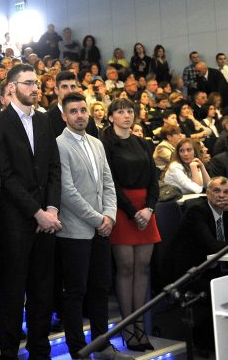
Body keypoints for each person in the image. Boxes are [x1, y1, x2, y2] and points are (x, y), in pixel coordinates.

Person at [0, 64, 61, 360]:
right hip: (16, 222)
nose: (36, 88)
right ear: (11, 87)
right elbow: (5, 176)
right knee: (12, 291)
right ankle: (9, 352)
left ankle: (39, 348)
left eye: (37, 83)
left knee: (43, 290)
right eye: (29, 83)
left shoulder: (46, 122)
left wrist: (53, 208)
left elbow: (54, 170)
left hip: (47, 218)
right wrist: (37, 212)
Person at [55, 93, 130, 360]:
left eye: (82, 110)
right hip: (75, 230)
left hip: (102, 227)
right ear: (64, 116)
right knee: (75, 292)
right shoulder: (59, 145)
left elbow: (109, 184)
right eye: (73, 111)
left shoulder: (97, 143)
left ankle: (101, 345)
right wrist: (98, 219)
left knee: (100, 288)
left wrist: (109, 215)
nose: (79, 116)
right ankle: (77, 349)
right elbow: (67, 191)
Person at [101, 98, 160, 351]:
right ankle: (129, 329)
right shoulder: (107, 144)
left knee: (143, 268)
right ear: (111, 116)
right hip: (121, 207)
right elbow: (111, 181)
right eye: (120, 111)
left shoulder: (143, 143)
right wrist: (131, 210)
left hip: (145, 209)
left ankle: (140, 328)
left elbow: (154, 180)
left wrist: (149, 208)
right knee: (125, 268)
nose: (126, 115)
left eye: (129, 111)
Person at [165, 176, 228, 354]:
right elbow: (214, 247)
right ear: (207, 193)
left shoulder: (226, 212)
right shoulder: (197, 212)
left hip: (216, 270)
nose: (221, 196)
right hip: (191, 273)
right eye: (216, 191)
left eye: (226, 192)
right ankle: (205, 342)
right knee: (221, 292)